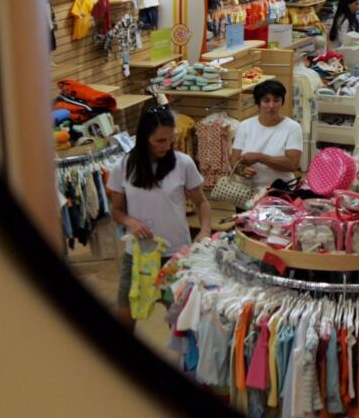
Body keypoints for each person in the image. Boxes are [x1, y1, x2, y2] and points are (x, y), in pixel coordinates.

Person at [108, 105, 211, 332]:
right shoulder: (122, 167)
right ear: (144, 138)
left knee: (181, 324)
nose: (166, 146)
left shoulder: (183, 163)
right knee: (125, 316)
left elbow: (202, 202)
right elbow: (115, 211)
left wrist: (204, 230)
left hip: (176, 256)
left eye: (169, 140)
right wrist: (130, 222)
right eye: (159, 141)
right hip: (137, 256)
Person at [231, 80, 303, 189]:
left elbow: (292, 164)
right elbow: (234, 161)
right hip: (247, 193)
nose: (271, 105)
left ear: (282, 102)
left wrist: (260, 157)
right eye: (266, 101)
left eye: (276, 100)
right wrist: (242, 170)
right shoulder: (245, 126)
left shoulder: (293, 127)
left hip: (280, 192)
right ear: (258, 103)